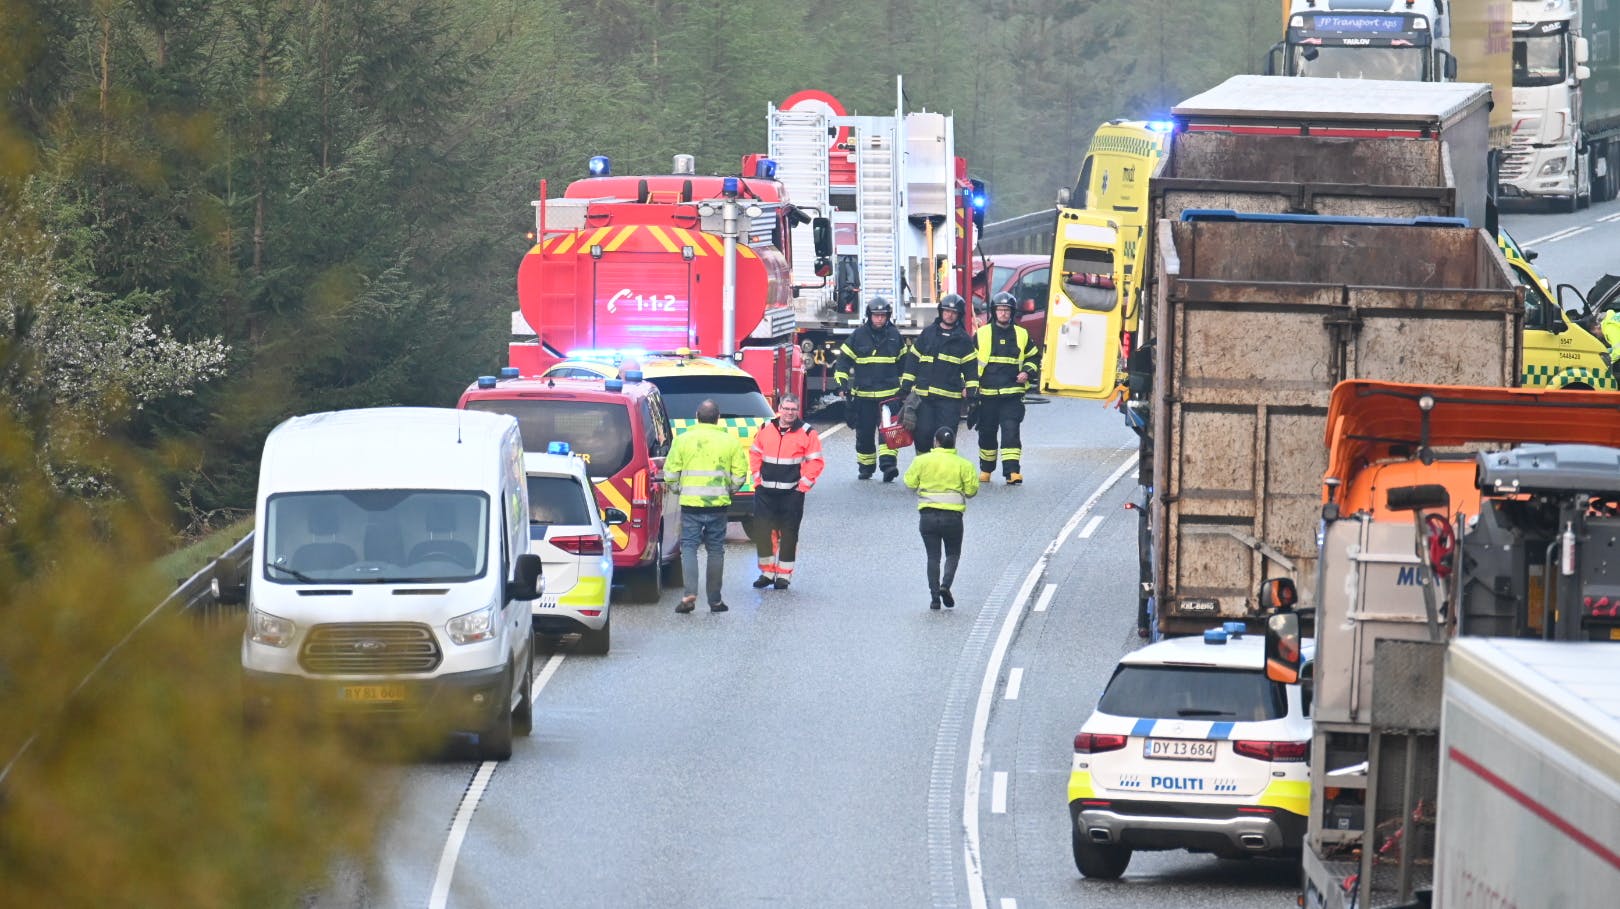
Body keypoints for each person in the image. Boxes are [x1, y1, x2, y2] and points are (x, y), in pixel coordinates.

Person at [665, 399, 749, 614]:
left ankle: (689, 594)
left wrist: (678, 490)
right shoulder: (729, 441)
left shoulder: (683, 440)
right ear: (718, 418)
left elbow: (671, 473)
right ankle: (715, 600)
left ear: (697, 416)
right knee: (715, 551)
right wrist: (728, 490)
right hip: (717, 506)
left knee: (689, 548)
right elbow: (740, 474)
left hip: (691, 504)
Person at [747, 393, 823, 590]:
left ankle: (783, 575)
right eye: (786, 408)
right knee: (763, 533)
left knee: (789, 534)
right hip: (765, 492)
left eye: (793, 409)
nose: (789, 413)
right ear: (779, 409)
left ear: (797, 411)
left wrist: (802, 487)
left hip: (792, 493)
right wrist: (757, 480)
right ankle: (767, 572)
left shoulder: (807, 433)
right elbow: (755, 453)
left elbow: (815, 462)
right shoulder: (765, 428)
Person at [903, 426, 980, 610]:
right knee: (953, 554)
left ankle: (935, 597)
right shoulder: (964, 464)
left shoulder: (921, 461)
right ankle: (946, 585)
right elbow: (971, 491)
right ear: (953, 443)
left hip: (928, 517)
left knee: (933, 557)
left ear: (935, 442)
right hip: (953, 518)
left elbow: (910, 483)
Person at [833, 297, 907, 481]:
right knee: (864, 434)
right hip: (863, 397)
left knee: (890, 432)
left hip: (889, 396)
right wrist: (842, 385)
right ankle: (866, 467)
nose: (879, 319)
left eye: (882, 316)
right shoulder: (858, 336)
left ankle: (889, 466)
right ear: (869, 316)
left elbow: (905, 366)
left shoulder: (895, 336)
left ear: (888, 316)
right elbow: (842, 362)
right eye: (876, 315)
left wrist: (905, 390)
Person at [974, 291, 1041, 485]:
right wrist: (969, 388)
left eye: (1007, 310)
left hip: (1012, 395)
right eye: (1000, 310)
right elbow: (970, 362)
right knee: (987, 433)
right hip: (987, 395)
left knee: (1011, 432)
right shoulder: (982, 334)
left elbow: (1033, 357)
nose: (1003, 314)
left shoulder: (1022, 334)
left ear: (1012, 313)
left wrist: (1027, 372)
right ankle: (986, 470)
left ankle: (1012, 472)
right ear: (994, 312)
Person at [900, 293, 978, 454]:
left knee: (946, 437)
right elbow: (912, 361)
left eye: (953, 312)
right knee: (922, 436)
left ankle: (942, 473)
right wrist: (905, 387)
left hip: (950, 401)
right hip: (924, 398)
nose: (949, 315)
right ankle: (923, 470)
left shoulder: (963, 340)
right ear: (941, 311)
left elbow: (971, 371)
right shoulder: (927, 334)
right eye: (946, 311)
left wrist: (972, 397)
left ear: (959, 315)